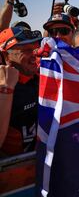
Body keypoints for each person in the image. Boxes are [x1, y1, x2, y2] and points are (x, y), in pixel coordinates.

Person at [0, 27, 42, 156]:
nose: (35, 55)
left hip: (41, 165)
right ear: (6, 55)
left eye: (35, 48)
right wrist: (5, 90)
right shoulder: (4, 88)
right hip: (13, 170)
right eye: (27, 50)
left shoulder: (40, 78)